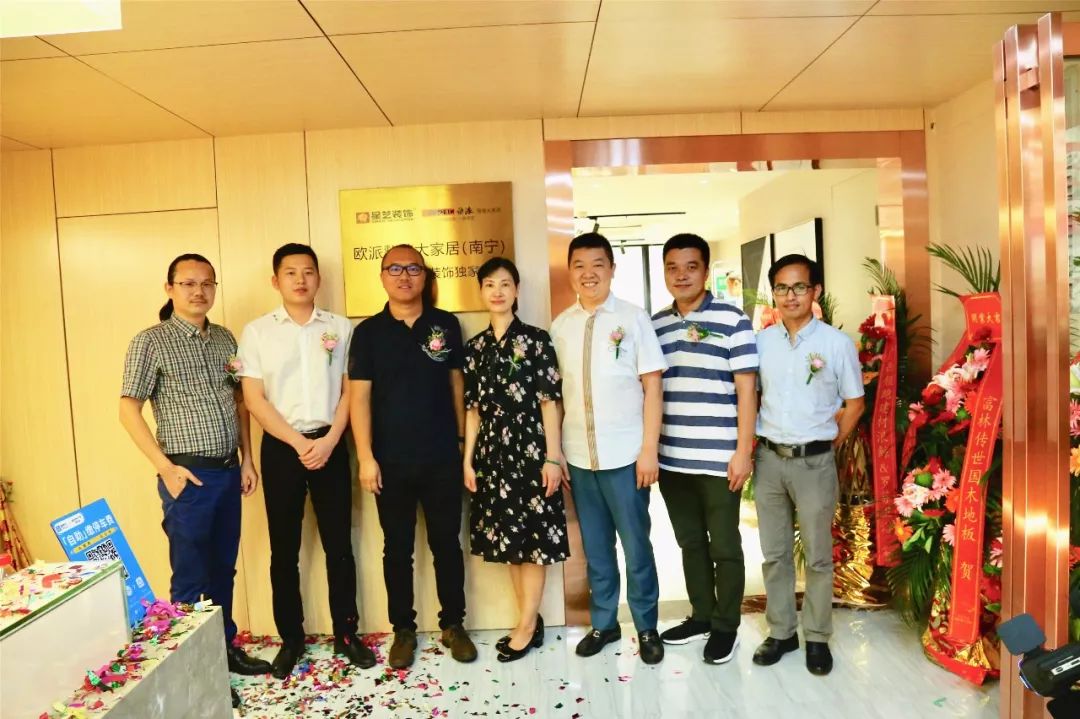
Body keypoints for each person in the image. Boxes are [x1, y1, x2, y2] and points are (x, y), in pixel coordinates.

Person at [119, 254, 272, 709]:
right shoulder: (151, 342)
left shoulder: (224, 338)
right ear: (169, 289)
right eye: (188, 283)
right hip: (187, 475)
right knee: (190, 576)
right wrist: (165, 467)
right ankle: (191, 671)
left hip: (228, 470)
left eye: (207, 283)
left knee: (223, 568)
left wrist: (247, 459)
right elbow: (128, 409)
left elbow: (239, 403)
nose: (198, 291)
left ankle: (222, 650)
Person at [237, 243, 374, 679]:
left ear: (319, 278)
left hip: (331, 444)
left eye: (308, 271)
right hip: (282, 449)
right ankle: (291, 638)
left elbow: (351, 391)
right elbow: (254, 399)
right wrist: (299, 443)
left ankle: (346, 633)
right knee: (284, 549)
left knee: (339, 546)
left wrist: (331, 439)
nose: (300, 279)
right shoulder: (258, 332)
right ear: (275, 280)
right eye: (291, 272)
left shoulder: (340, 327)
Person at [348, 244, 477, 669]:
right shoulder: (368, 333)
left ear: (425, 276)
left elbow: (457, 385)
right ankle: (403, 629)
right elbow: (359, 399)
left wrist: (462, 443)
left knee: (447, 545)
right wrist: (366, 457)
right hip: (390, 461)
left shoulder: (445, 324)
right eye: (395, 269)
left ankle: (453, 624)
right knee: (397, 549)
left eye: (413, 269)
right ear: (382, 276)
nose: (404, 276)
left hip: (441, 457)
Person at [549, 232, 668, 665]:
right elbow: (554, 397)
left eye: (597, 264)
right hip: (580, 458)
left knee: (637, 548)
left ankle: (647, 626)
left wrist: (648, 450)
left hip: (626, 457)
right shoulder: (560, 326)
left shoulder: (633, 318)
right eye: (579, 265)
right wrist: (557, 452)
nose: (589, 273)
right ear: (570, 272)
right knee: (596, 549)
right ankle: (604, 623)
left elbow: (653, 386)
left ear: (612, 269)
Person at [752, 254, 865, 676]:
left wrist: (830, 442)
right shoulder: (762, 342)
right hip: (769, 459)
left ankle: (817, 636)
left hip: (814, 462)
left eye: (799, 287)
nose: (790, 296)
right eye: (782, 288)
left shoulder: (836, 344)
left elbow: (855, 403)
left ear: (815, 291)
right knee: (774, 553)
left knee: (818, 556)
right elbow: (752, 396)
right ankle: (782, 632)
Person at [651, 233, 758, 665]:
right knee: (690, 542)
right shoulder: (655, 325)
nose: (681, 275)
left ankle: (726, 626)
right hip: (672, 458)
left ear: (706, 271)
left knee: (725, 546)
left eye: (691, 267)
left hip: (719, 458)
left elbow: (747, 391)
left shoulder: (734, 320)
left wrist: (743, 451)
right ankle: (701, 616)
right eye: (673, 267)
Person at [462, 257, 569, 663]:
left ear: (517, 290)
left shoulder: (537, 340)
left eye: (505, 284)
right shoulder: (475, 348)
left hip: (531, 451)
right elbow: (472, 411)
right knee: (510, 541)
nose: (498, 291)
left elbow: (549, 403)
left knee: (534, 541)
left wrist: (553, 458)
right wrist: (468, 461)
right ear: (481, 291)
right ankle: (529, 618)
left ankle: (525, 625)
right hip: (492, 456)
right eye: (490, 284)